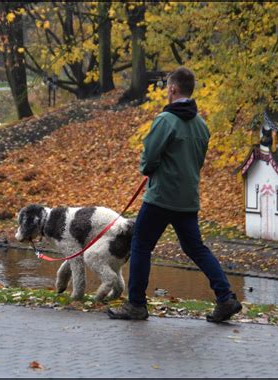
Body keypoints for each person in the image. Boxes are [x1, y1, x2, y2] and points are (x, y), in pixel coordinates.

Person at [107, 67, 242, 322]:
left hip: (160, 198)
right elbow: (197, 162)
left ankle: (136, 304)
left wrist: (150, 169)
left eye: (168, 88)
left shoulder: (165, 120)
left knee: (141, 246)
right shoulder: (201, 125)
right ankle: (225, 298)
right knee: (196, 249)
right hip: (187, 199)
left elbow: (149, 159)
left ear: (172, 89)